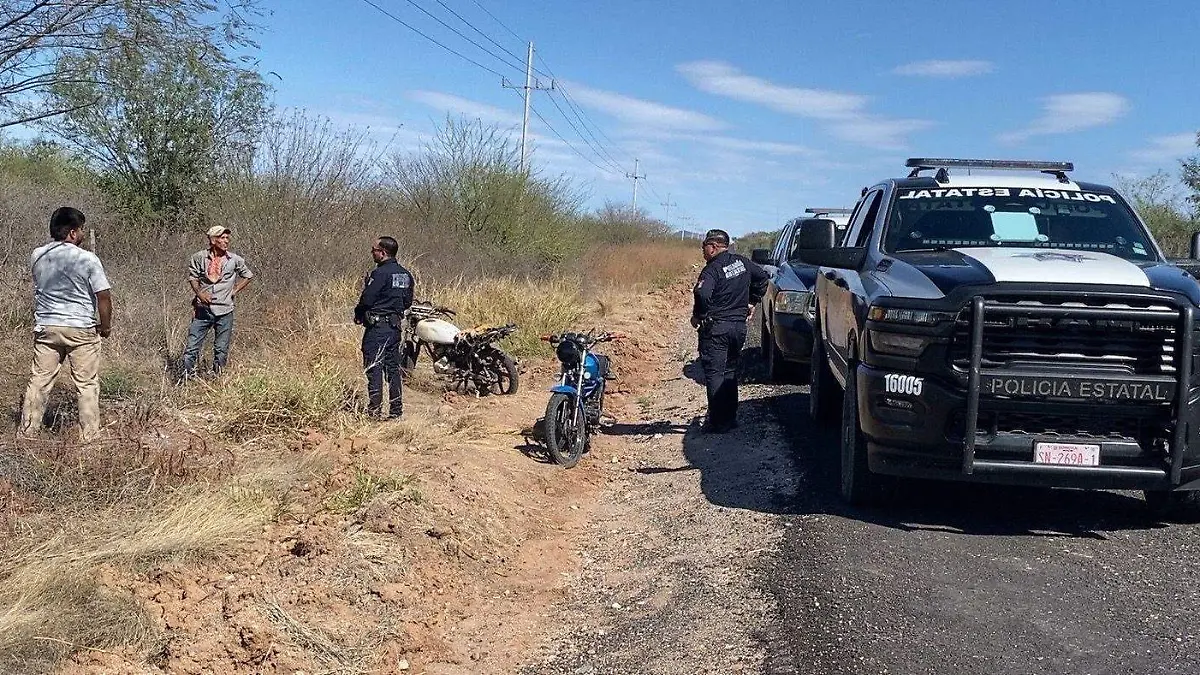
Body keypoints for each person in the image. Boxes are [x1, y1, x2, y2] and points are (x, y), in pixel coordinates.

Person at [19, 207, 113, 442]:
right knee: (86, 384)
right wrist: (106, 326)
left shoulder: (38, 255)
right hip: (80, 328)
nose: (81, 234)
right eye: (80, 230)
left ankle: (27, 434)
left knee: (39, 382)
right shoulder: (87, 258)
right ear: (72, 232)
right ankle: (89, 439)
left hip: (47, 327)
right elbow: (104, 297)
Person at [691, 228, 769, 433]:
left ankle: (717, 422)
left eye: (704, 247)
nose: (703, 251)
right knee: (730, 371)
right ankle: (730, 418)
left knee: (715, 373)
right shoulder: (742, 262)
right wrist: (753, 301)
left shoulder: (712, 269)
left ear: (714, 247)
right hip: (738, 327)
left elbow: (702, 294)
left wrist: (698, 316)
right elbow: (763, 278)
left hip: (717, 328)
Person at [182, 225, 253, 379]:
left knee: (221, 349)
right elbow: (193, 277)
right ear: (213, 240)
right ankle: (186, 379)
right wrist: (199, 293)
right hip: (203, 309)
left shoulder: (234, 259)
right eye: (222, 238)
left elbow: (248, 275)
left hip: (225, 311)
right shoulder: (199, 257)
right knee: (191, 347)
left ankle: (217, 379)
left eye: (227, 238)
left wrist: (234, 290)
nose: (226, 241)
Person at [354, 236, 414, 419]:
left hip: (378, 328)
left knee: (374, 368)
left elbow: (367, 299)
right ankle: (396, 412)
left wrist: (359, 314)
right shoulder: (405, 274)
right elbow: (407, 302)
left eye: (374, 250)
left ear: (383, 252)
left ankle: (374, 412)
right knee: (393, 370)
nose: (372, 253)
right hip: (395, 328)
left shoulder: (379, 274)